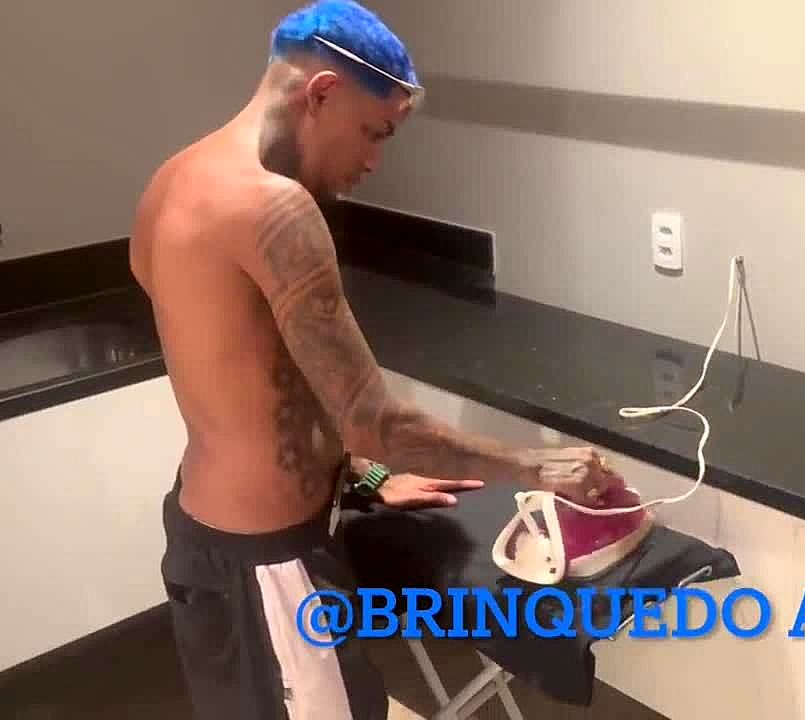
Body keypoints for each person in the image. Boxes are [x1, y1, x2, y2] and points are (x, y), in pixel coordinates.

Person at [129, 2, 623, 718]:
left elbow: (247, 369)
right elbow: (373, 419)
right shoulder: (277, 211)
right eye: (373, 133)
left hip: (208, 539)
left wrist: (364, 473)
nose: (373, 162)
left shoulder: (172, 181)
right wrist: (537, 466)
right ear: (322, 92)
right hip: (268, 569)